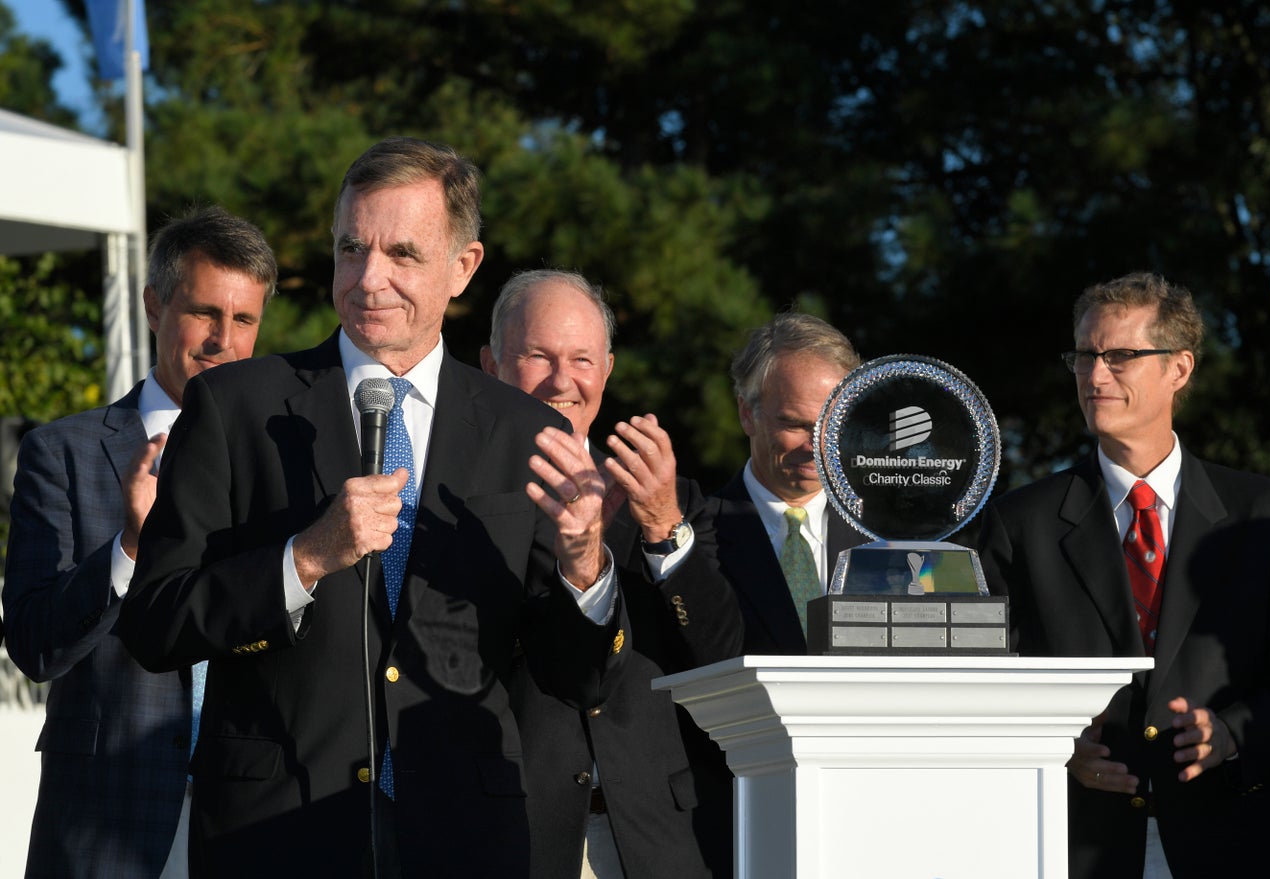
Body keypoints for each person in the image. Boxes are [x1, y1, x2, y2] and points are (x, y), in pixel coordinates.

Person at [118, 138, 629, 879]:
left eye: (402, 254)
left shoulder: (528, 434)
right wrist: (305, 557)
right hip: (273, 839)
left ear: (465, 266)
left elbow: (578, 677)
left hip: (465, 838)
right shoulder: (235, 408)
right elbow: (154, 620)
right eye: (351, 248)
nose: (368, 278)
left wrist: (586, 561)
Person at [3, 205, 276, 879]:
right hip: (106, 818)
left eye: (244, 320)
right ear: (154, 306)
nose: (223, 340)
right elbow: (35, 645)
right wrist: (129, 544)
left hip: (255, 819)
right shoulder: (62, 452)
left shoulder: (285, 459)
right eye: (205, 312)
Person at [977, 272, 1270, 878]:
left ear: (1180, 368)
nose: (1093, 377)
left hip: (1235, 842)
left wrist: (1234, 733)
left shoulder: (1264, 515)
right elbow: (985, 686)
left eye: (1120, 356)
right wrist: (1054, 751)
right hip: (1073, 847)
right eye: (1084, 356)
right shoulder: (1019, 523)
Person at [481, 269, 743, 879]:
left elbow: (719, 652)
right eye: (538, 356)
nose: (563, 380)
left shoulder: (669, 499)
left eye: (582, 359)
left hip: (656, 837)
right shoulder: (449, 493)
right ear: (491, 364)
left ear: (608, 370)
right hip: (513, 832)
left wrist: (661, 525)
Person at [707, 312, 866, 655]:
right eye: (795, 425)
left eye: (833, 424)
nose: (817, 447)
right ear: (747, 413)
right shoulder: (695, 535)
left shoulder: (884, 540)